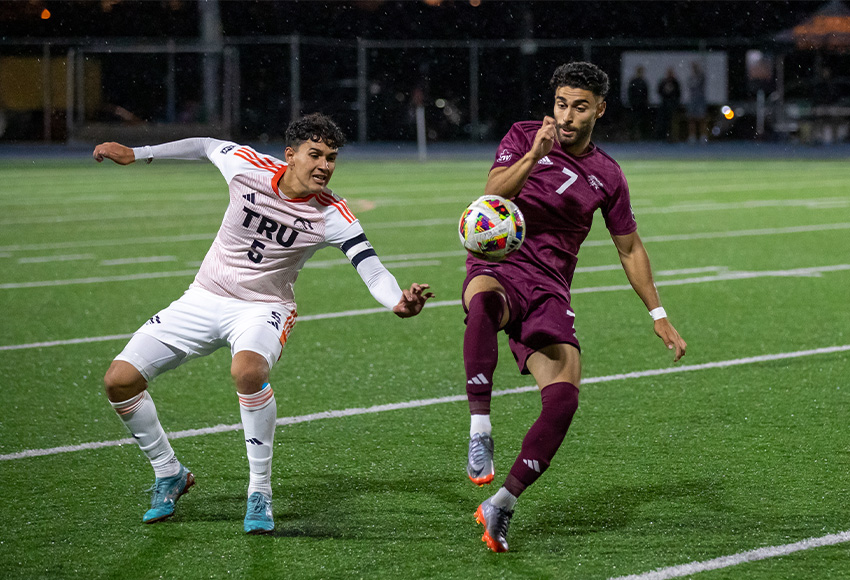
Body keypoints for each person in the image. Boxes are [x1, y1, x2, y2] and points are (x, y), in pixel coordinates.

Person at [93, 113, 433, 535]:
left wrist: (397, 301)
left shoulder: (333, 214)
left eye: (331, 157)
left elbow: (371, 267)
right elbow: (204, 144)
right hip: (202, 297)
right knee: (119, 381)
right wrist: (139, 154)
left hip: (264, 307)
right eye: (315, 155)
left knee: (248, 371)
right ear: (290, 156)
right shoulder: (247, 167)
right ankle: (169, 473)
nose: (324, 166)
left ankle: (260, 491)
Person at [462, 62, 686, 552]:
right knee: (481, 305)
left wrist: (659, 315)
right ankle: (480, 430)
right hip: (499, 264)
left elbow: (630, 248)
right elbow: (491, 193)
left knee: (563, 398)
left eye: (579, 106)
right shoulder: (525, 136)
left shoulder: (608, 175)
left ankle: (503, 502)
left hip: (549, 288)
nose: (566, 115)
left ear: (599, 110)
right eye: (561, 103)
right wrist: (534, 156)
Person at [656, 67, 681, 141]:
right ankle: (663, 136)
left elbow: (678, 93)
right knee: (664, 121)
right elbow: (659, 91)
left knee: (673, 122)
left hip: (672, 105)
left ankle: (673, 136)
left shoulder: (675, 82)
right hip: (664, 105)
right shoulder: (663, 82)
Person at [626, 65, 651, 140]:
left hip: (641, 104)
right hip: (635, 104)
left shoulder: (643, 82)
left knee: (642, 121)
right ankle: (632, 136)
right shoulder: (634, 81)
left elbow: (646, 93)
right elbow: (630, 93)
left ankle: (642, 136)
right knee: (633, 121)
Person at [686, 62, 708, 143]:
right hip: (692, 101)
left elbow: (701, 82)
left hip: (700, 100)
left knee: (702, 119)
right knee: (691, 118)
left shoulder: (701, 76)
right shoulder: (690, 78)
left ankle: (703, 136)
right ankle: (692, 136)